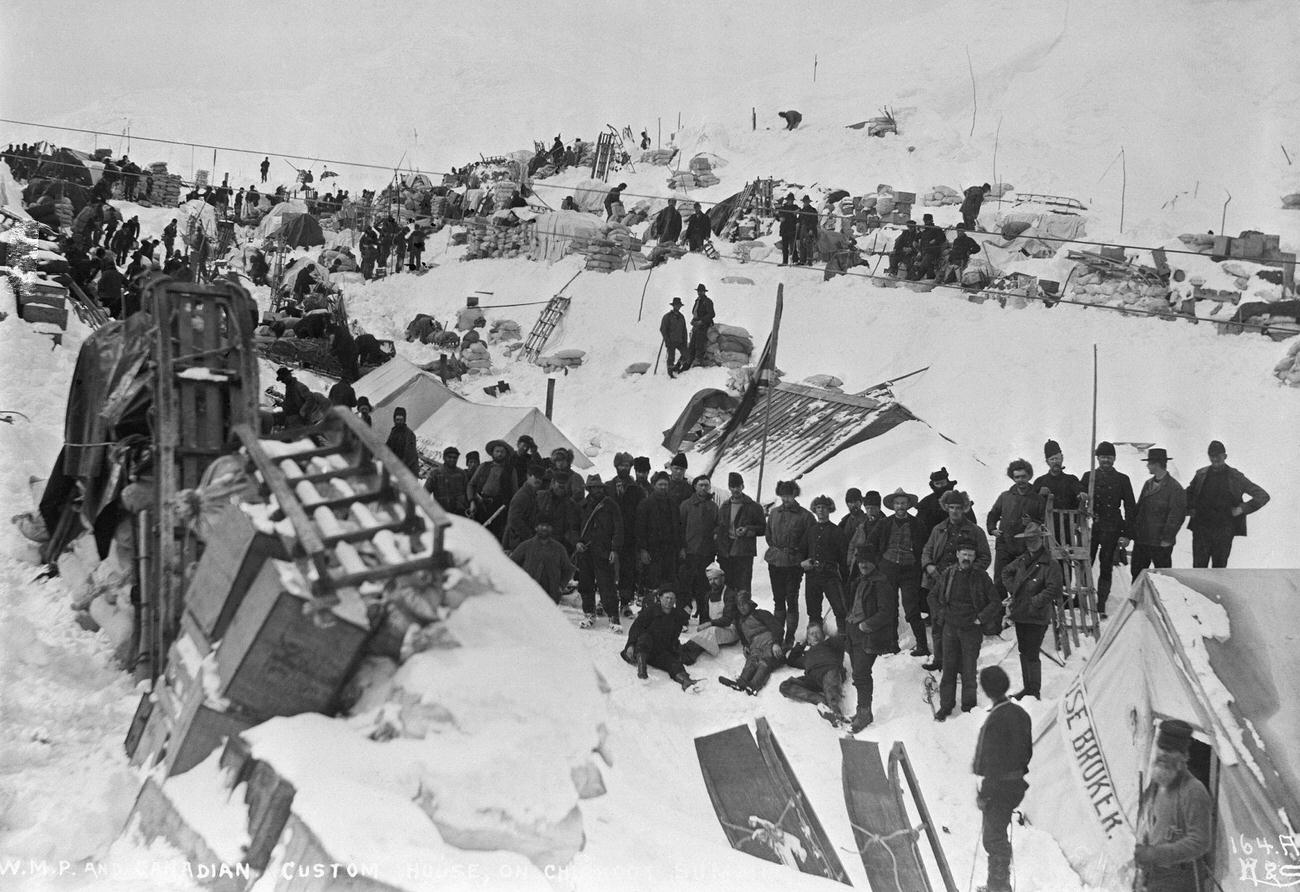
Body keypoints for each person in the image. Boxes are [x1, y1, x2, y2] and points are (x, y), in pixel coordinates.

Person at [1134, 719, 1214, 892]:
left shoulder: (1193, 790)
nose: (1163, 754)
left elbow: (1199, 841)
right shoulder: (1157, 784)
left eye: (1170, 750)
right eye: (1161, 747)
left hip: (1180, 878)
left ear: (1183, 756)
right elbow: (1148, 825)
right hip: (1155, 874)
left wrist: (1155, 854)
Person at [972, 665, 1032, 892]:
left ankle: (999, 887)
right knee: (998, 834)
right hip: (1016, 785)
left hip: (999, 787)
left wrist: (985, 794)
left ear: (987, 691)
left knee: (993, 838)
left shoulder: (996, 719)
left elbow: (994, 763)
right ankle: (998, 884)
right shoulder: (1021, 714)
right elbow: (1027, 751)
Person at [921, 489, 991, 671]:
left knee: (961, 625)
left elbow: (985, 557)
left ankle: (960, 663)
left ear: (965, 508)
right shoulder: (938, 529)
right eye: (951, 507)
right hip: (938, 580)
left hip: (963, 584)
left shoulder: (975, 531)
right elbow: (926, 551)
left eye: (959, 507)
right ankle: (939, 659)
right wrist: (929, 566)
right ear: (946, 508)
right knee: (938, 621)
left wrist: (970, 572)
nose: (955, 511)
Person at [932, 539, 1001, 720]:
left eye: (970, 555)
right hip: (950, 628)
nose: (967, 558)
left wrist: (981, 618)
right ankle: (946, 706)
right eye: (964, 554)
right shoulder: (948, 574)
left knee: (969, 669)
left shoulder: (981, 577)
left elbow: (995, 602)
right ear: (957, 555)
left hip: (971, 629)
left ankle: (969, 707)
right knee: (948, 668)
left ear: (975, 557)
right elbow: (933, 597)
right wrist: (942, 615)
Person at [1001, 521, 1062, 700]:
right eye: (1028, 540)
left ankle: (1034, 691)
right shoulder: (1022, 560)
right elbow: (1005, 572)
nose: (1031, 543)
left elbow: (1054, 590)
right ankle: (1027, 688)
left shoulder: (1051, 564)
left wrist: (1034, 601)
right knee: (1023, 650)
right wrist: (1016, 591)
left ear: (1041, 540)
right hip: (1021, 614)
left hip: (1037, 615)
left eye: (1034, 539)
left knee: (1032, 652)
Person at [863, 488, 928, 656]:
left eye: (903, 503)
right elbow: (870, 543)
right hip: (888, 569)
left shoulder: (918, 524)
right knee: (889, 607)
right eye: (897, 503)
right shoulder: (884, 523)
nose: (900, 506)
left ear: (908, 505)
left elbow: (925, 547)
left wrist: (919, 565)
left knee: (912, 608)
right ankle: (892, 645)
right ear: (893, 506)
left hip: (909, 571)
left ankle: (922, 646)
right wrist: (879, 562)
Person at [1185, 439, 1269, 568]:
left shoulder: (1236, 476)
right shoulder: (1200, 474)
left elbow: (1262, 495)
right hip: (1201, 529)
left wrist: (1242, 509)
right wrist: (1187, 509)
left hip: (1223, 531)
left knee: (1219, 569)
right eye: (1211, 456)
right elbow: (1187, 495)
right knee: (1199, 569)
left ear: (1225, 456)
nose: (1214, 460)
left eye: (1217, 456)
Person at [1078, 441, 1135, 617]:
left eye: (1109, 457)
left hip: (1112, 528)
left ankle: (1101, 603)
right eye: (1103, 457)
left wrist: (1127, 534)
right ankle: (1082, 600)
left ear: (1114, 458)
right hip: (1092, 527)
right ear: (1097, 458)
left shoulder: (1122, 479)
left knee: (1106, 566)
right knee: (1085, 563)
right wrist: (1082, 498)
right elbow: (1078, 497)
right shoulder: (1089, 476)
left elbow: (1131, 508)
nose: (1106, 460)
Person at [844, 555, 898, 731]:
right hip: (853, 632)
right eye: (860, 562)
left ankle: (865, 714)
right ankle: (862, 711)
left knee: (861, 674)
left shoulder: (881, 583)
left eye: (867, 561)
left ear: (874, 563)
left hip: (869, 636)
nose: (863, 565)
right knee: (858, 674)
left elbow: (886, 612)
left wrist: (867, 625)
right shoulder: (859, 580)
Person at [987, 459, 1047, 600]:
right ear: (1012, 478)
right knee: (1000, 580)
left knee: (1023, 580)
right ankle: (1000, 615)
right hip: (1004, 544)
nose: (1020, 480)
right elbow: (993, 514)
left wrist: (1032, 523)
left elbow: (1044, 522)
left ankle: (1020, 613)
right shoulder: (1005, 497)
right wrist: (992, 529)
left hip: (1025, 547)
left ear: (1029, 476)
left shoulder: (1037, 499)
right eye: (1017, 477)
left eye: (1023, 476)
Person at [765, 480, 812, 648]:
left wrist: (799, 555)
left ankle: (790, 637)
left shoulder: (805, 516)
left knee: (791, 599)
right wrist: (778, 550)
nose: (785, 499)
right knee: (778, 600)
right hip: (775, 561)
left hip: (794, 563)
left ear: (795, 495)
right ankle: (778, 636)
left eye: (789, 496)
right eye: (783, 496)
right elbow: (769, 536)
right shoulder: (774, 513)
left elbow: (809, 540)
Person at [621, 589, 699, 690]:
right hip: (641, 648)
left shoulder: (676, 616)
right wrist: (630, 645)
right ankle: (642, 671)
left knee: (673, 662)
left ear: (675, 600)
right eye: (666, 598)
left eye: (672, 598)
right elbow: (636, 628)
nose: (669, 601)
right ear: (661, 598)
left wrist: (676, 652)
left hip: (659, 650)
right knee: (646, 638)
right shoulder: (651, 611)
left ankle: (685, 681)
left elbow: (674, 638)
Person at [576, 474, 624, 631]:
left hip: (604, 550)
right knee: (586, 583)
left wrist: (615, 549)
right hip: (585, 551)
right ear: (589, 489)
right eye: (593, 487)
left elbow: (618, 529)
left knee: (607, 584)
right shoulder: (582, 505)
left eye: (599, 487)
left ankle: (613, 616)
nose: (597, 490)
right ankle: (589, 613)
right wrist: (577, 542)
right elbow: (574, 527)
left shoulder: (611, 505)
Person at [1131, 447, 1187, 577]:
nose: (1147, 466)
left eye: (1149, 463)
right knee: (1137, 575)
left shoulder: (1175, 488)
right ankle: (1137, 598)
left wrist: (1167, 538)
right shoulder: (1148, 484)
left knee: (1163, 577)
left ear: (1157, 464)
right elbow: (1139, 510)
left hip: (1160, 543)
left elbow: (1177, 516)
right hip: (1142, 540)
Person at [779, 624, 848, 726]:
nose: (815, 636)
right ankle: (821, 701)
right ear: (808, 639)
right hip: (812, 678)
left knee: (830, 686)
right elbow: (791, 660)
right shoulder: (807, 655)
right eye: (811, 634)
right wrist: (801, 644)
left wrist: (833, 633)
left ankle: (836, 715)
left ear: (823, 635)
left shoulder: (829, 644)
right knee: (785, 686)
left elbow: (842, 639)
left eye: (818, 633)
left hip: (829, 671)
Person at [719, 589, 785, 694]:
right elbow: (744, 638)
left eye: (744, 604)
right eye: (739, 605)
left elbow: (777, 628)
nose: (742, 607)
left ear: (749, 603)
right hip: (755, 647)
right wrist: (745, 646)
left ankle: (753, 685)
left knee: (764, 662)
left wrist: (776, 643)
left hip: (770, 643)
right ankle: (741, 682)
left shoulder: (761, 614)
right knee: (751, 662)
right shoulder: (740, 622)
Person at [801, 495, 848, 633]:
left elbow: (844, 557)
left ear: (830, 510)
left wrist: (843, 578)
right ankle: (815, 640)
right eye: (818, 508)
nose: (821, 510)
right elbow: (801, 551)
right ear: (814, 510)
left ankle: (843, 639)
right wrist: (803, 563)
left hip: (830, 576)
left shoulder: (837, 531)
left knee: (839, 609)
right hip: (813, 576)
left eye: (824, 508)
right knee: (813, 610)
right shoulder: (810, 531)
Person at [714, 472, 765, 595]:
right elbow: (719, 527)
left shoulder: (753, 507)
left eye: (738, 486)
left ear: (743, 486)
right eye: (733, 487)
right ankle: (729, 613)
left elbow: (763, 528)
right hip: (726, 551)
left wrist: (747, 530)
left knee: (743, 586)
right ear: (729, 488)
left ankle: (744, 613)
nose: (735, 489)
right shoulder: (725, 506)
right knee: (728, 586)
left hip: (744, 552)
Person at [678, 475, 718, 625]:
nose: (703, 488)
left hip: (706, 554)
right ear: (695, 487)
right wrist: (681, 547)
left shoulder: (713, 507)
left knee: (704, 587)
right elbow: (680, 528)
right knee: (685, 586)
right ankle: (683, 618)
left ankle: (704, 617)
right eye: (701, 485)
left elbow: (717, 526)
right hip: (689, 552)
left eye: (706, 485)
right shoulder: (686, 505)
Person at [636, 472, 682, 595]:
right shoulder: (645, 504)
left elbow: (678, 527)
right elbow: (640, 529)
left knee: (668, 582)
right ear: (654, 485)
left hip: (669, 550)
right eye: (660, 484)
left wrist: (680, 547)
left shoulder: (672, 503)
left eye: (666, 484)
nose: (663, 487)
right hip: (652, 550)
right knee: (652, 582)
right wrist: (643, 550)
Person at [610, 453, 645, 613]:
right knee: (609, 569)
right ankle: (607, 600)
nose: (623, 468)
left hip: (630, 536)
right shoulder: (608, 486)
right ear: (616, 466)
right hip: (610, 535)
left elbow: (641, 514)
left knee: (627, 570)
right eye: (621, 465)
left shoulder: (636, 489)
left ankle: (625, 602)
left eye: (626, 465)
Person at [511, 516, 575, 603]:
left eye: (547, 526)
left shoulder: (559, 548)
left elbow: (568, 569)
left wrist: (560, 586)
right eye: (541, 525)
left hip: (551, 596)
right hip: (527, 594)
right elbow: (510, 565)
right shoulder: (526, 546)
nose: (544, 528)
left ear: (551, 528)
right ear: (536, 527)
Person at [1034, 439, 1084, 545]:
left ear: (1062, 458)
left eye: (1057, 458)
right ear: (1047, 462)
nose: (1055, 462)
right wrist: (1039, 493)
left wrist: (1081, 494)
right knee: (1048, 557)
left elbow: (1078, 490)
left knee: (1066, 557)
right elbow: (1031, 502)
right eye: (1052, 459)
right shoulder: (1040, 481)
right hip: (1046, 527)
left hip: (1067, 527)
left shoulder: (1071, 479)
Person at [468, 439, 519, 539]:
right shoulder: (483, 466)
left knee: (493, 537)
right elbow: (471, 485)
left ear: (506, 454)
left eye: (502, 452)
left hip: (498, 509)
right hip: (480, 505)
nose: (499, 454)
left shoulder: (511, 471)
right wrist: (472, 502)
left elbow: (515, 493)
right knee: (475, 534)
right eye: (497, 451)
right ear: (492, 453)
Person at [504, 463, 545, 549]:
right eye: (535, 476)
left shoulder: (532, 495)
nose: (538, 480)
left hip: (523, 541)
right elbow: (514, 520)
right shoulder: (522, 496)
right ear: (528, 476)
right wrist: (529, 536)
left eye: (540, 478)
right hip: (517, 541)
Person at [423, 447, 470, 516]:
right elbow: (425, 492)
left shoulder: (462, 474)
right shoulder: (435, 473)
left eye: (455, 458)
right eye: (449, 457)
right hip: (441, 512)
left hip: (459, 514)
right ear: (444, 458)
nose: (452, 460)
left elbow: (468, 491)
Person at [682, 284, 715, 371]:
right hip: (696, 325)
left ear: (704, 292)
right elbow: (696, 313)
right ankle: (688, 362)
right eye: (698, 291)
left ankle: (698, 362)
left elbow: (711, 314)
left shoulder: (707, 301)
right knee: (692, 344)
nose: (699, 293)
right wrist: (694, 321)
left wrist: (702, 321)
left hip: (704, 326)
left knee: (699, 344)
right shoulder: (697, 301)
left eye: (701, 291)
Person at [385, 407, 420, 475]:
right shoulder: (394, 431)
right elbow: (388, 446)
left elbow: (409, 456)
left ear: (404, 420)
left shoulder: (409, 434)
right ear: (394, 420)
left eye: (401, 420)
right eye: (397, 420)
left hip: (408, 469)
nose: (399, 422)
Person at [659, 297, 688, 378]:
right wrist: (667, 341)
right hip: (671, 341)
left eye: (679, 305)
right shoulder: (667, 317)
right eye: (676, 305)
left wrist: (685, 342)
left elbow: (684, 331)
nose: (678, 307)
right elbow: (663, 329)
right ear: (673, 306)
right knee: (671, 357)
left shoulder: (682, 317)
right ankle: (670, 372)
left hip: (680, 341)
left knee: (686, 355)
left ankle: (677, 366)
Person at [914, 213, 948, 280]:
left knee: (925, 262)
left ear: (931, 220)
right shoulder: (924, 230)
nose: (926, 222)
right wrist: (915, 241)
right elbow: (917, 237)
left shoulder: (936, 229)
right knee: (923, 262)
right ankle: (930, 277)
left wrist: (935, 240)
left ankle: (919, 276)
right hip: (924, 251)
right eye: (925, 221)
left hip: (933, 251)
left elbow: (942, 238)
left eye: (928, 220)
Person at [776, 193, 800, 265]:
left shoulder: (795, 207)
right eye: (790, 200)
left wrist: (798, 211)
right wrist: (779, 218)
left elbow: (801, 211)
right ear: (787, 200)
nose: (791, 201)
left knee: (793, 246)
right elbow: (777, 216)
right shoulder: (783, 208)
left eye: (792, 200)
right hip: (785, 229)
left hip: (792, 229)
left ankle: (795, 260)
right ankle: (785, 261)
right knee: (785, 246)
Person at [796, 196, 819, 267]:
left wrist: (811, 229)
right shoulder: (802, 210)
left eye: (806, 202)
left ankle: (809, 260)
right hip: (802, 228)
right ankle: (802, 260)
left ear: (809, 202)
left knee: (809, 244)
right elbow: (799, 219)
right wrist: (798, 223)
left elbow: (815, 221)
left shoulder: (813, 210)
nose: (805, 203)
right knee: (802, 244)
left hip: (809, 228)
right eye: (804, 202)